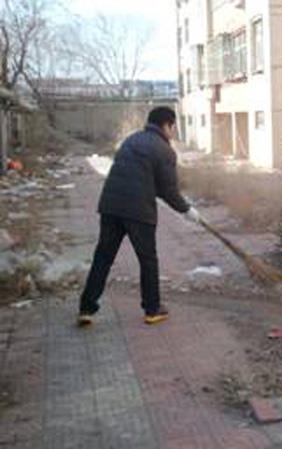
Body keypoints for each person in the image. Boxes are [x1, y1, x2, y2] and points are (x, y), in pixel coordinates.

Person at [77, 106, 202, 326]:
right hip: (138, 211)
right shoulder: (164, 150)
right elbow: (168, 190)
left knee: (103, 257)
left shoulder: (131, 140)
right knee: (147, 260)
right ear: (167, 125)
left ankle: (86, 309)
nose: (173, 131)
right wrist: (186, 210)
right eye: (173, 127)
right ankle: (152, 309)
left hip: (110, 206)